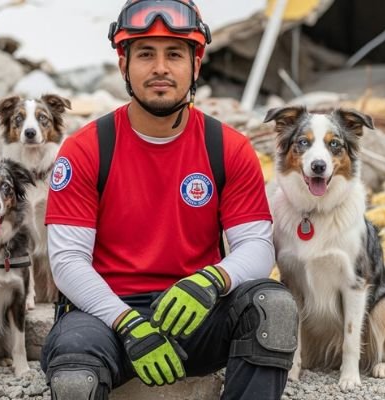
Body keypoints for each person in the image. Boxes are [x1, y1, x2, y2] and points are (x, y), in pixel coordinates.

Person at [40, 1, 298, 399]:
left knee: (272, 307)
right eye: (146, 54)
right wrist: (128, 323)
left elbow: (257, 246)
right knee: (75, 379)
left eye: (175, 54)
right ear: (123, 65)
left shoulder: (228, 147)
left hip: (196, 310)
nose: (160, 68)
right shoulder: (85, 149)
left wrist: (212, 281)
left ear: (196, 65)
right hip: (106, 318)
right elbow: (67, 262)